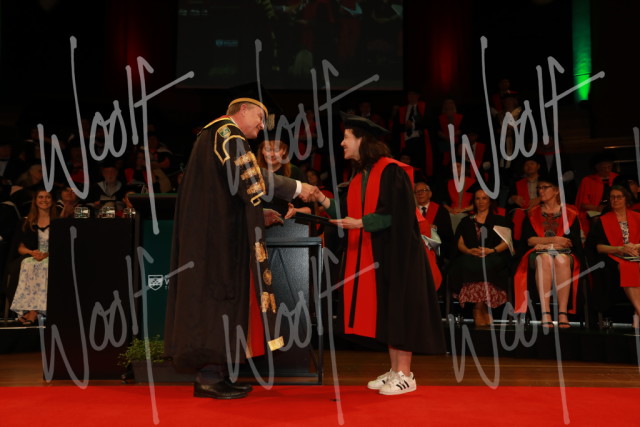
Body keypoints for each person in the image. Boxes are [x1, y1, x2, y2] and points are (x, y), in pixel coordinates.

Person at [164, 97, 316, 400]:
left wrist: (259, 213)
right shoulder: (226, 133)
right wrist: (298, 187)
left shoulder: (212, 137)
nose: (261, 127)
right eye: (259, 118)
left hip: (213, 234)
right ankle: (208, 378)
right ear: (242, 110)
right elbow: (251, 177)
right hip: (215, 241)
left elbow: (228, 191)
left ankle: (217, 374)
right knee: (216, 300)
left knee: (222, 300)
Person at [313, 113, 445, 395]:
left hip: (399, 253)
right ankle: (395, 370)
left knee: (399, 309)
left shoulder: (391, 170)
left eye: (346, 137)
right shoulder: (361, 176)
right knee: (388, 311)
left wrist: (361, 223)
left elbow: (398, 213)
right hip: (378, 253)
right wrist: (321, 199)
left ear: (362, 139)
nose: (342, 143)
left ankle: (406, 374)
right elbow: (348, 212)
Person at [514, 173, 583, 328]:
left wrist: (548, 244)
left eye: (545, 187)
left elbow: (569, 242)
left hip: (564, 253)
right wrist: (555, 240)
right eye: (539, 188)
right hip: (537, 253)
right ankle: (545, 313)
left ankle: (563, 312)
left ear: (556, 191)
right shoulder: (532, 212)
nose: (541, 191)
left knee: (561, 259)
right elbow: (529, 240)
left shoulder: (570, 213)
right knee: (544, 258)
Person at [448, 185, 511, 326]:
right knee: (466, 264)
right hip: (470, 255)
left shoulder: (499, 220)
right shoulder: (466, 221)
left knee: (488, 265)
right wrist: (468, 251)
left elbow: (506, 243)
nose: (481, 201)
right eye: (478, 199)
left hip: (492, 255)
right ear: (474, 201)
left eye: (484, 198)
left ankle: (478, 308)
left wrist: (491, 250)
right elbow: (460, 243)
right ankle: (482, 308)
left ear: (490, 201)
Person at [587, 185, 640, 328]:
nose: (615, 200)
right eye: (612, 197)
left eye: (619, 197)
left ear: (626, 199)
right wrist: (620, 248)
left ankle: (637, 313)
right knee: (628, 267)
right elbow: (598, 247)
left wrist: (635, 246)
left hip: (636, 254)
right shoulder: (602, 220)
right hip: (613, 257)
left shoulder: (638, 217)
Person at [9, 189, 57, 325]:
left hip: (53, 256)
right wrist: (32, 252)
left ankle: (33, 312)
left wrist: (47, 254)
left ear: (52, 200)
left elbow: (63, 245)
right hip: (32, 255)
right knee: (29, 264)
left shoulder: (58, 221)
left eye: (48, 197)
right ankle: (29, 310)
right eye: (40, 197)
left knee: (44, 266)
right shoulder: (26, 221)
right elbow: (20, 248)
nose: (44, 200)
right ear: (35, 201)